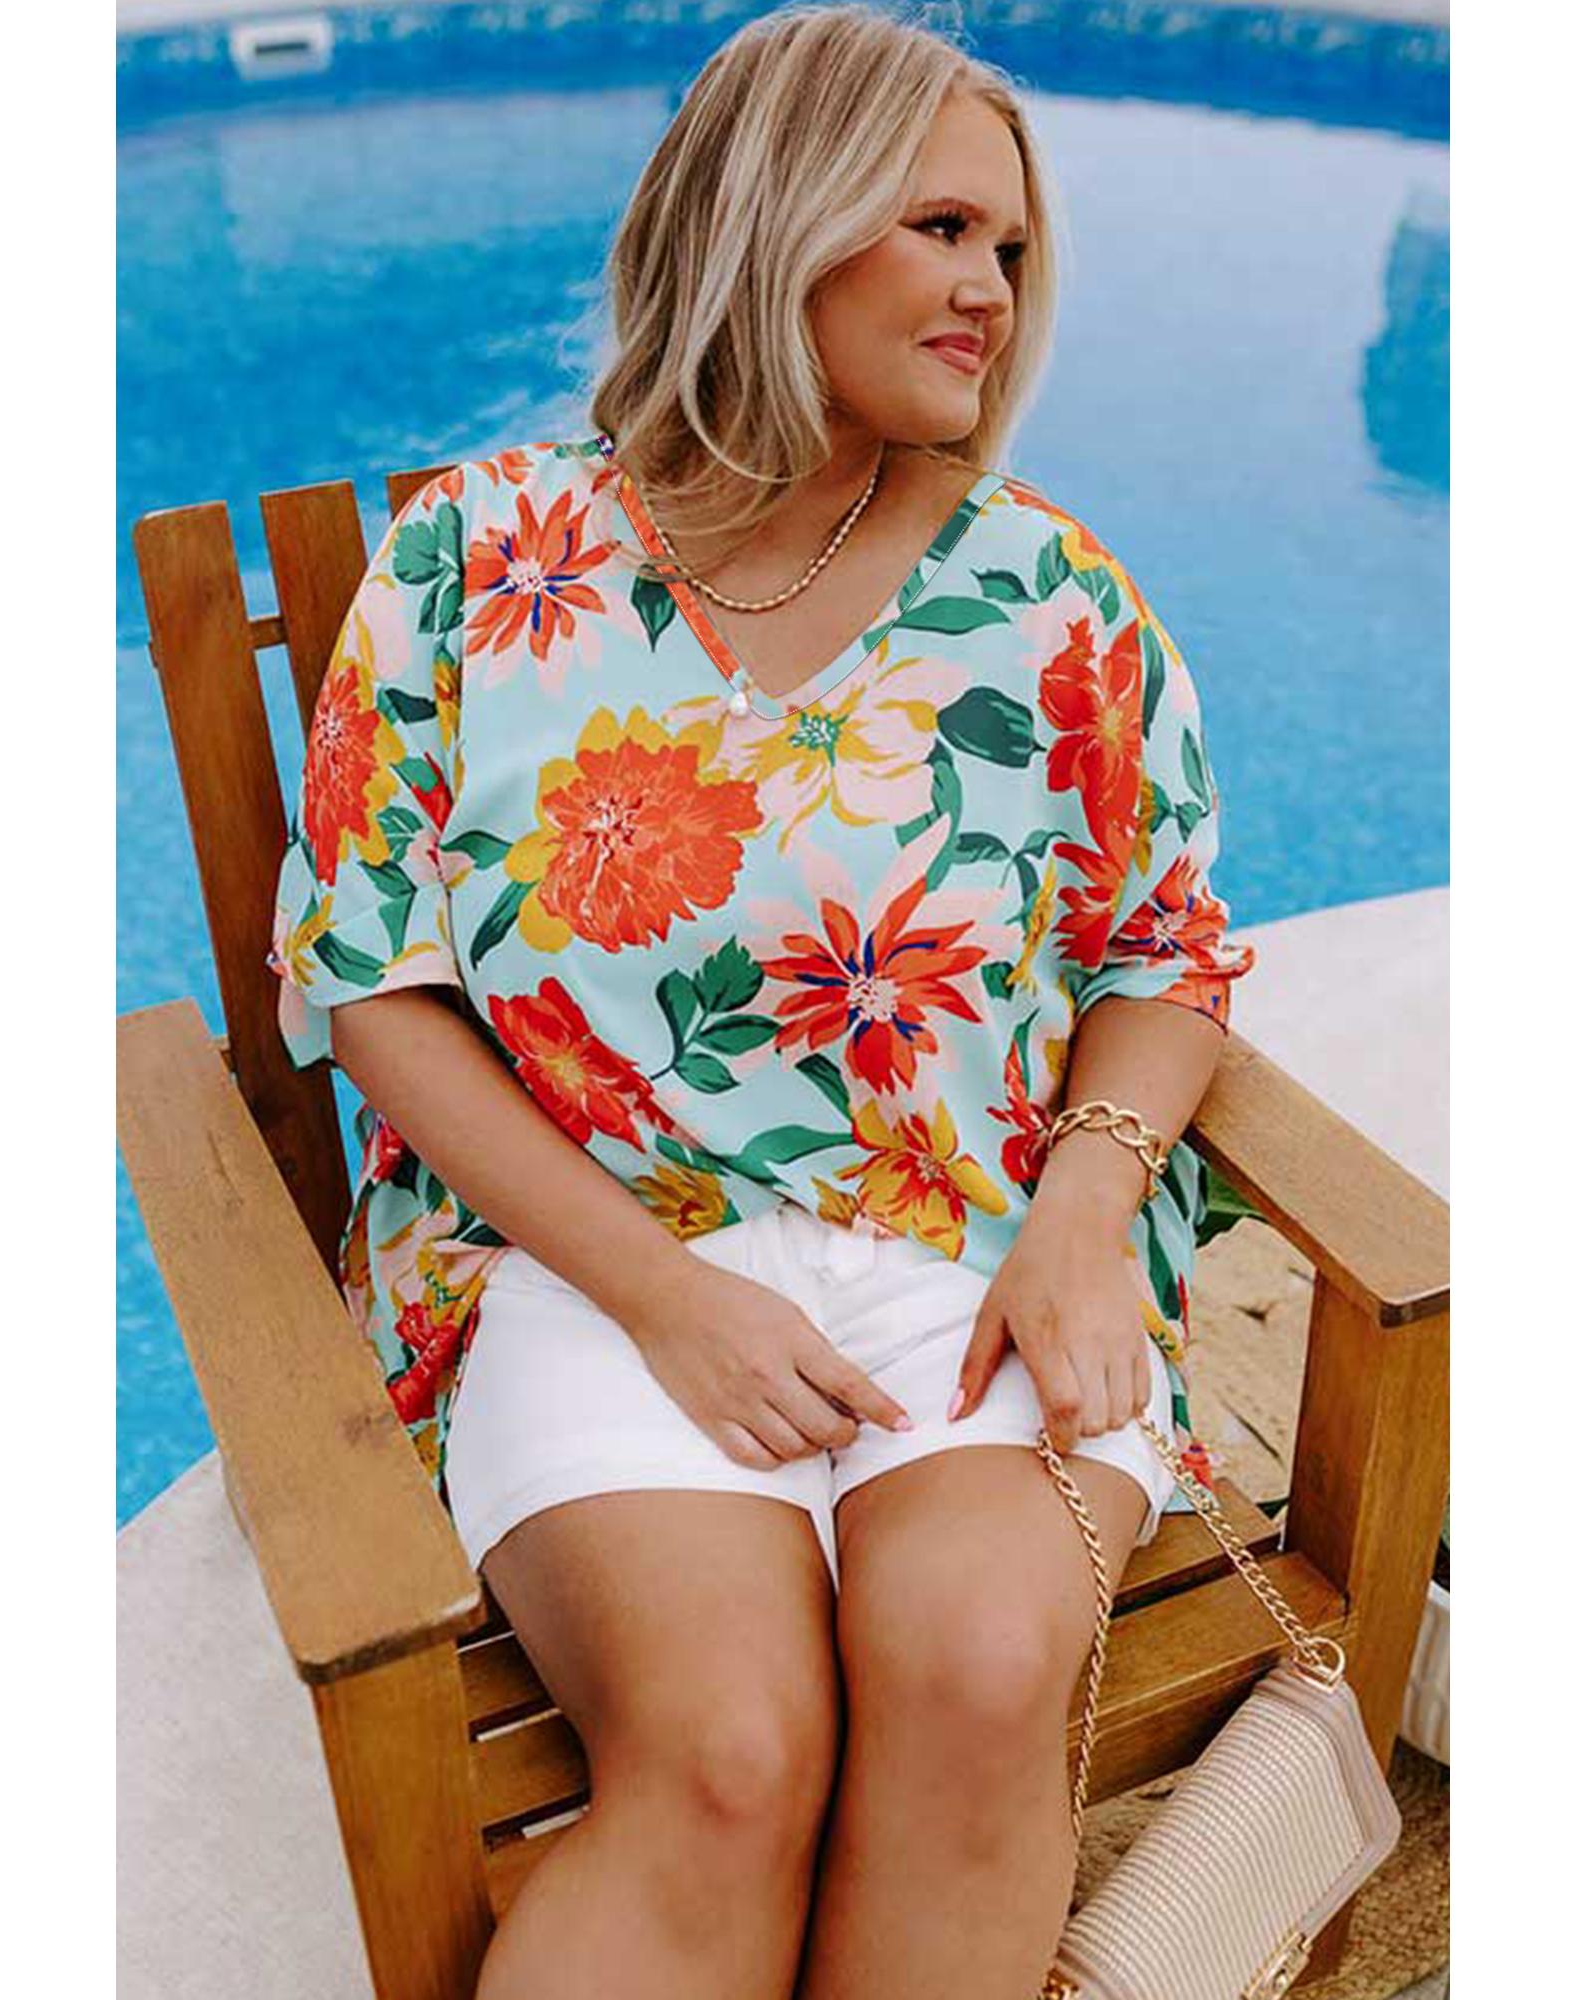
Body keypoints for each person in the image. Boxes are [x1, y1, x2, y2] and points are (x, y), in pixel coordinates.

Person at [268, 5, 1257, 1993]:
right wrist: (662, 1293)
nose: (992, 289)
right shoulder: (478, 560)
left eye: (1008, 246)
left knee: (974, 1665)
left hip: (974, 1248)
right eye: (941, 229)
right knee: (729, 1748)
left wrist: (1079, 1221)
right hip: (584, 1255)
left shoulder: (1051, 595)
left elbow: (1162, 951)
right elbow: (372, 987)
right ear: (771, 215)